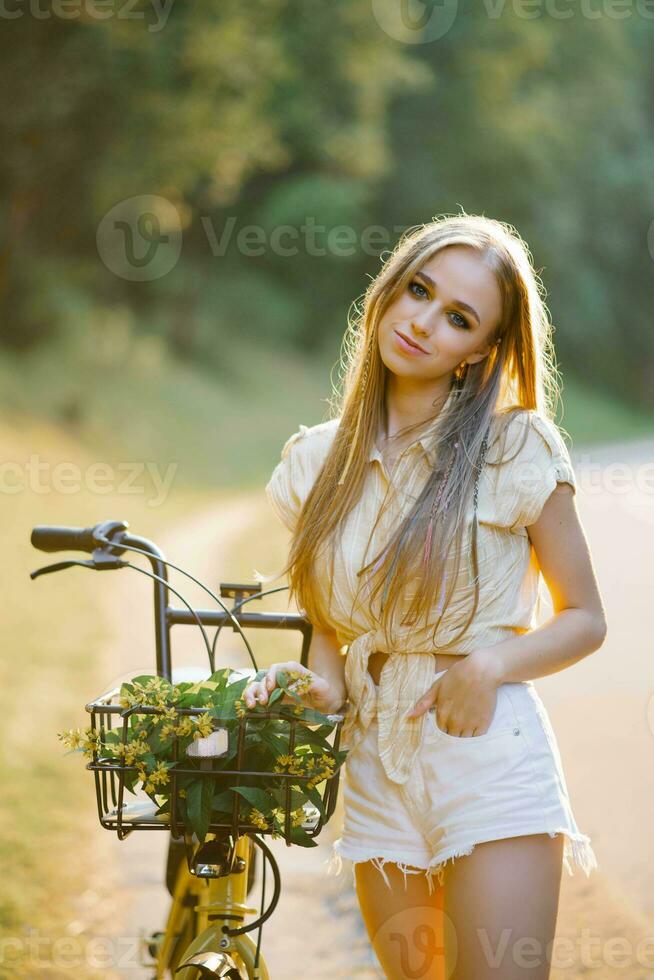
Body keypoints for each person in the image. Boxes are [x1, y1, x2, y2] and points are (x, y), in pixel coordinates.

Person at [244, 213, 607, 979]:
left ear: (481, 351)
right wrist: (313, 685)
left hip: (487, 757)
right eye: (418, 290)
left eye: (458, 318)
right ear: (389, 289)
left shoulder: (516, 447)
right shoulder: (314, 462)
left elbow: (584, 619)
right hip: (376, 764)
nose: (422, 322)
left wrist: (488, 668)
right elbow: (330, 632)